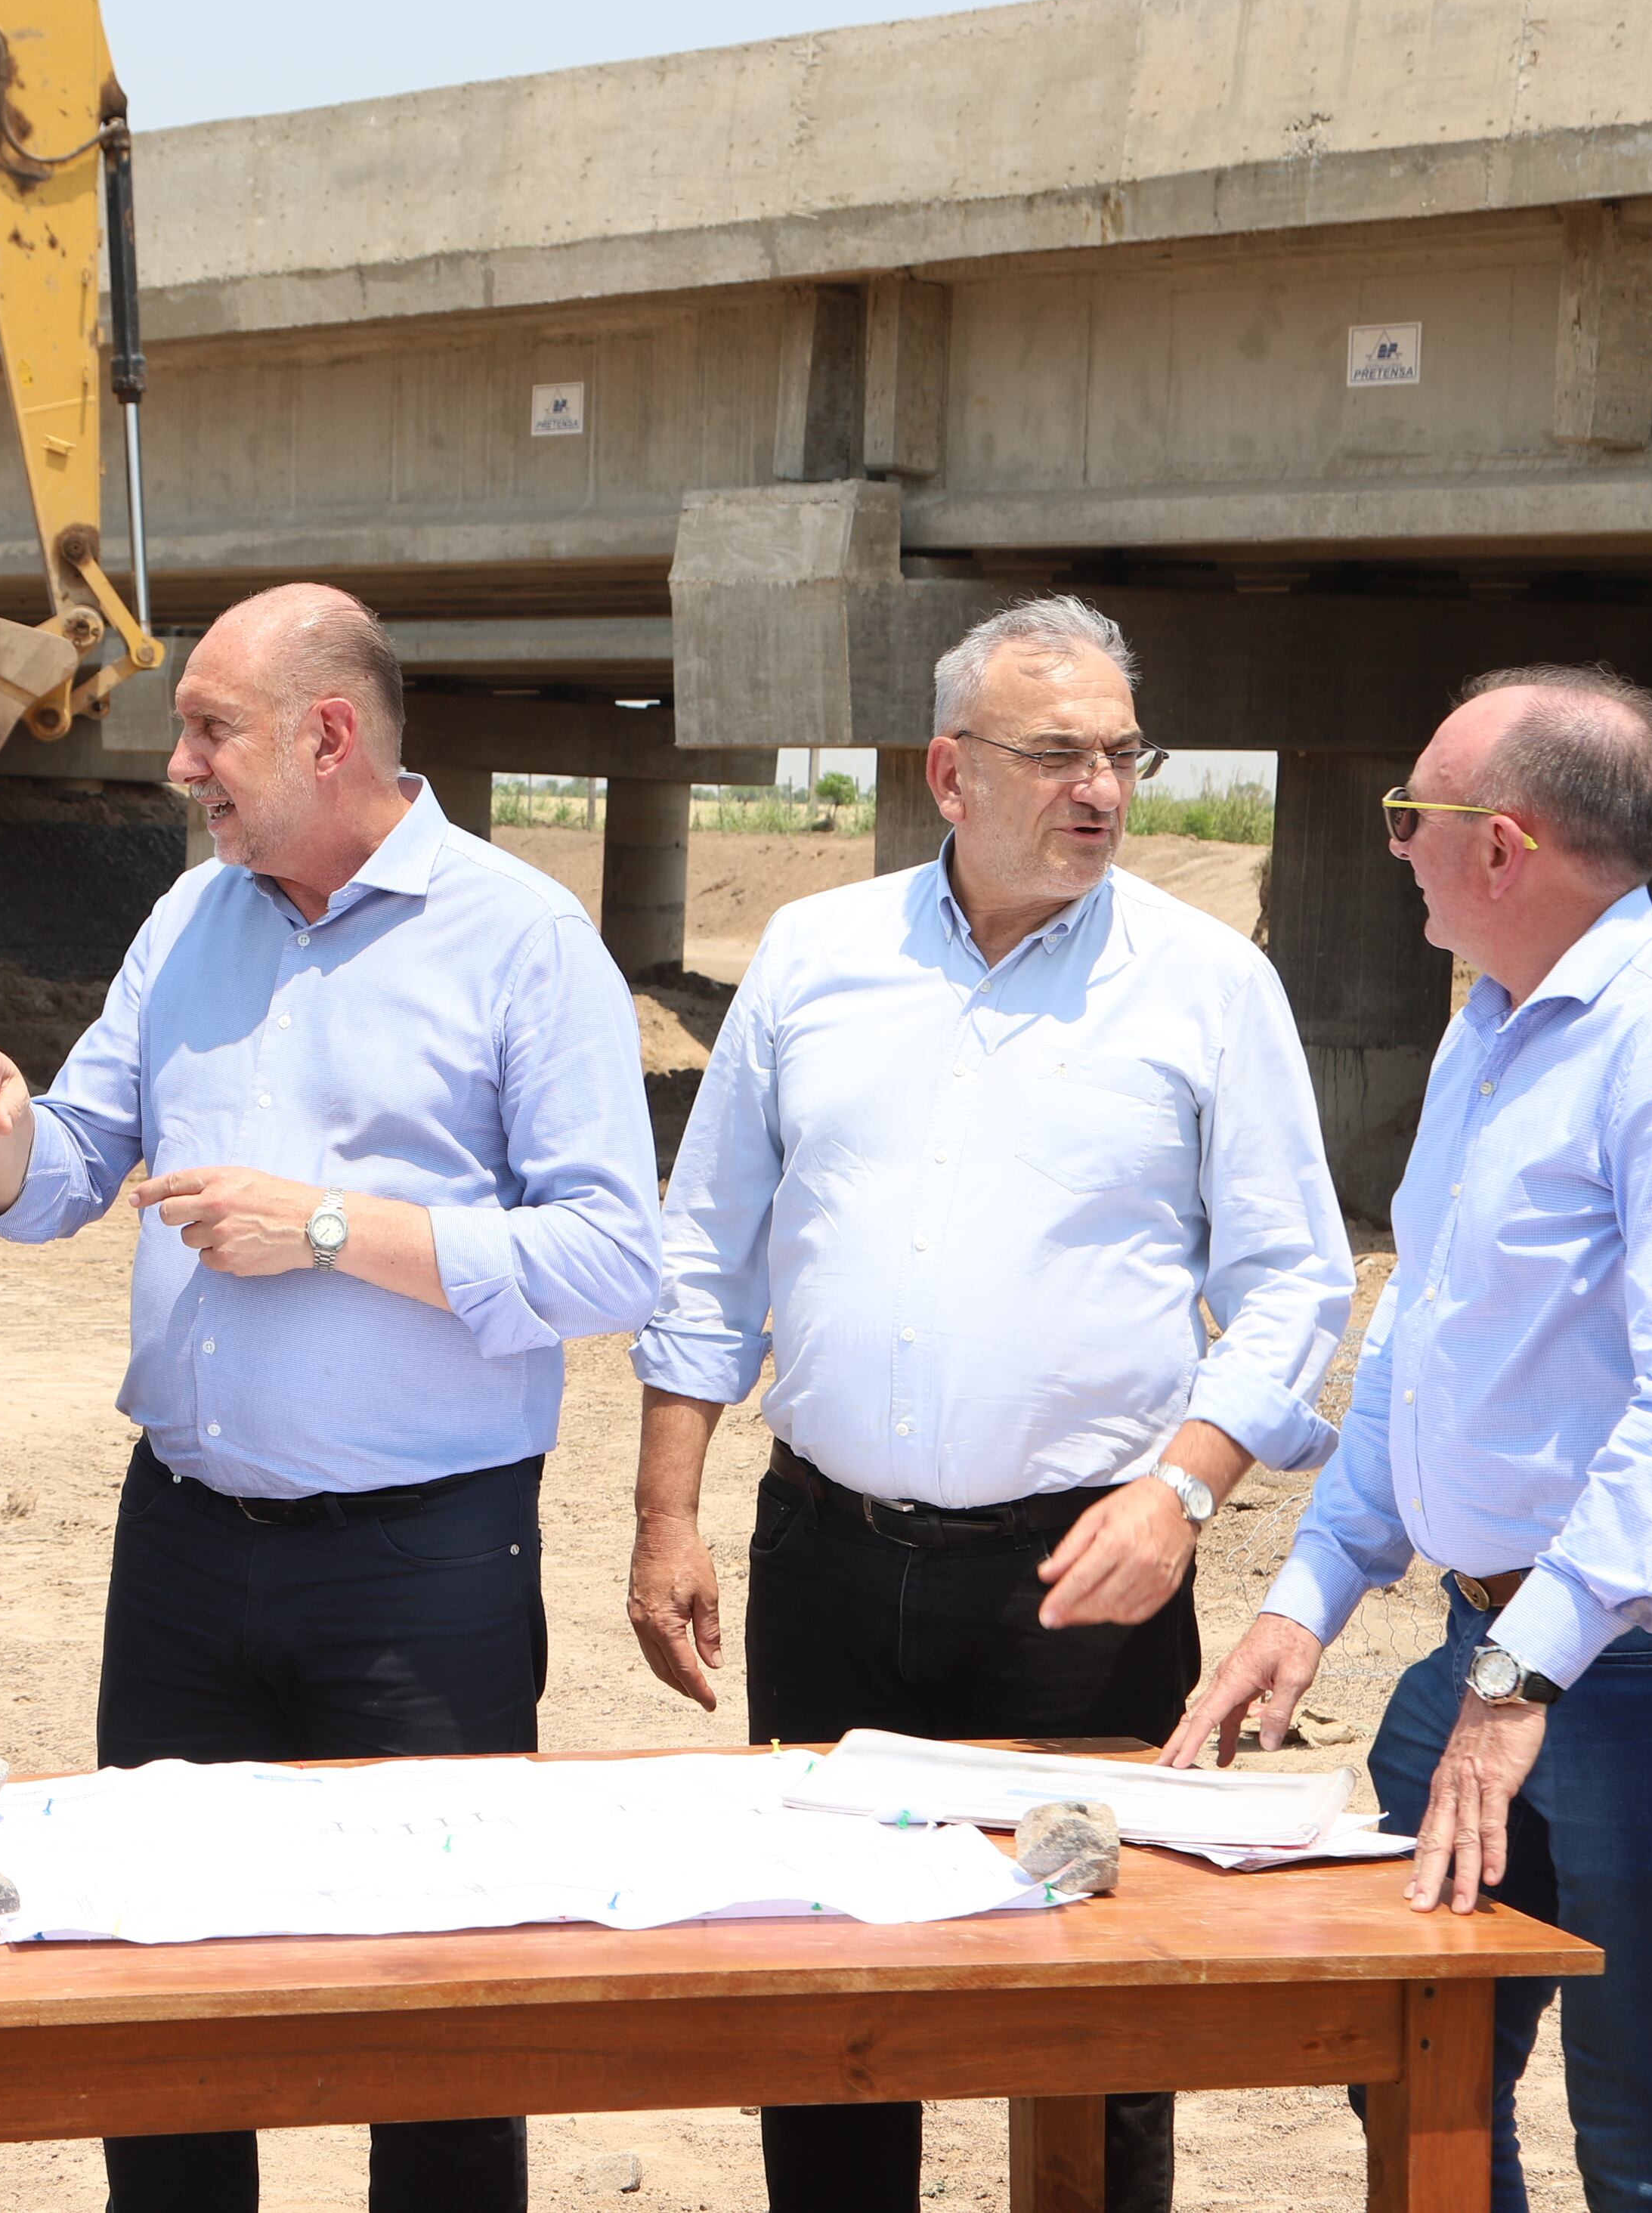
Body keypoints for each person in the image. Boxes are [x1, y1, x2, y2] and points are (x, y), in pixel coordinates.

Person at [0, 583, 660, 2213]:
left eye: (207, 730)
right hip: (183, 1555)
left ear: (325, 735)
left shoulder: (522, 940)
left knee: (438, 2020)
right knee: (161, 1998)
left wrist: (325, 1229)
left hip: (424, 1575)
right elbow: (69, 1174)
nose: (178, 764)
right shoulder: (190, 921)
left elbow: (615, 1259)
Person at [626, 593, 1353, 2213]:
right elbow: (706, 1248)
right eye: (1055, 754)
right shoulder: (814, 955)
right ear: (949, 772)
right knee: (823, 2001)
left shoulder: (1207, 983)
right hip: (820, 1558)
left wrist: (1181, 1488)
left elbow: (1299, 1279)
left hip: (1082, 1582)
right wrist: (664, 1510)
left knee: (1094, 2013)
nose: (1098, 787)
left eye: (1120, 753)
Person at [1168, 665, 1652, 2213]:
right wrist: (1311, 1587)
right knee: (1408, 2055)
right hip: (1505, 1649)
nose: (1389, 840)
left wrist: (1518, 1677)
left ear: (1502, 843)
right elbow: (1424, 1333)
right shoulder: (1489, 1026)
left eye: (1411, 811)